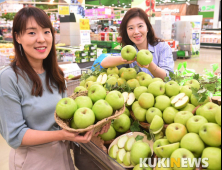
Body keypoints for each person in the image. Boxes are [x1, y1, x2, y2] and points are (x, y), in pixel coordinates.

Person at [0, 7, 110, 170]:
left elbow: (63, 119)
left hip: (63, 157)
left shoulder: (55, 73)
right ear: (17, 37)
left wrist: (94, 126)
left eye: (46, 31)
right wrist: (62, 135)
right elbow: (16, 135)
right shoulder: (9, 78)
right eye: (32, 33)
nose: (41, 39)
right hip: (33, 162)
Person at [101, 8, 174, 80]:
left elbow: (168, 77)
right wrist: (123, 59)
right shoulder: (130, 50)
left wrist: (149, 64)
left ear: (147, 28)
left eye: (140, 26)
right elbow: (104, 63)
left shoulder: (162, 47)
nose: (136, 32)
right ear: (126, 31)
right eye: (131, 28)